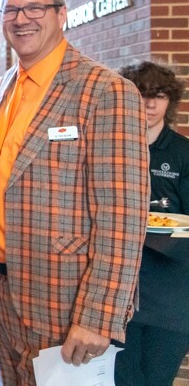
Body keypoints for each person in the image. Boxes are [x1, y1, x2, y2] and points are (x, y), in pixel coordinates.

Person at [0, 0, 149, 384]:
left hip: (65, 302)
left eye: (35, 7)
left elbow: (122, 217)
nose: (21, 19)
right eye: (11, 9)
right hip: (2, 289)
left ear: (61, 14)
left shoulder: (106, 92)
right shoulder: (9, 86)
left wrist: (99, 314)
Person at [115, 61, 189, 386]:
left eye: (158, 96)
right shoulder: (112, 149)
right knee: (122, 379)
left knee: (157, 380)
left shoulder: (183, 153)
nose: (149, 104)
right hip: (119, 292)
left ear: (169, 101)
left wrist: (143, 221)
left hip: (171, 294)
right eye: (141, 94)